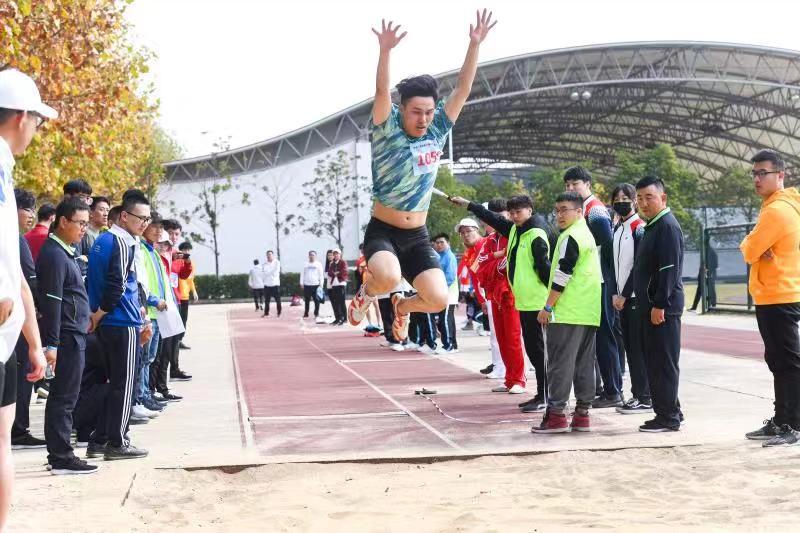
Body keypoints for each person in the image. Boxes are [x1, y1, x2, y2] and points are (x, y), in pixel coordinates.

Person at [347, 11, 497, 342]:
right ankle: (367, 292)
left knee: (438, 298)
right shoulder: (386, 127)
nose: (424, 119)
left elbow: (463, 89)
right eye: (416, 112)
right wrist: (385, 51)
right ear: (402, 110)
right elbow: (381, 91)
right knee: (388, 278)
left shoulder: (437, 130)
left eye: (429, 112)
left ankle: (401, 307)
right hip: (383, 230)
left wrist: (474, 45)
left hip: (417, 234)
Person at [0, 68, 51, 529]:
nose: (37, 129)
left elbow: (15, 276)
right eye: (38, 120)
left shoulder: (5, 167)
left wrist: (33, 341)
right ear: (20, 116)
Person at [451, 194, 553, 402]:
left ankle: (541, 393)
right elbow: (481, 265)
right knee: (519, 345)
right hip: (514, 298)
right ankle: (531, 389)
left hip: (529, 299)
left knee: (535, 348)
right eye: (511, 213)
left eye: (517, 212)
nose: (514, 217)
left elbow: (546, 269)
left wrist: (551, 301)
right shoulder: (513, 231)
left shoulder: (535, 232)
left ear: (530, 210)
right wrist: (468, 204)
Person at [741, 149, 800, 446]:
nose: (757, 178)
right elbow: (754, 247)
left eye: (763, 173)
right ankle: (782, 420)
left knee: (787, 362)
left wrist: (750, 242)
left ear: (780, 175)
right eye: (754, 173)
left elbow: (749, 250)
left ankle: (794, 425)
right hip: (775, 293)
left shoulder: (777, 211)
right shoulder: (777, 206)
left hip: (779, 294)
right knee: (779, 361)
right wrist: (754, 242)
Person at [87, 189, 151, 460]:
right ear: (124, 216)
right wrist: (98, 315)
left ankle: (99, 439)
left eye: (147, 219)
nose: (144, 224)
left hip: (109, 322)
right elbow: (117, 287)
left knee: (113, 384)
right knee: (124, 385)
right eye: (141, 218)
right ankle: (117, 442)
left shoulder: (102, 240)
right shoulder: (122, 243)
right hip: (120, 321)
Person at [532, 192, 601, 434]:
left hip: (568, 311)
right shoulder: (586, 235)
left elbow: (563, 274)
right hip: (588, 312)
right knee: (584, 364)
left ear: (579, 211)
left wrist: (548, 306)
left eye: (565, 210)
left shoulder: (570, 236)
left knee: (560, 364)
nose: (559, 215)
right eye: (557, 210)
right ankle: (582, 415)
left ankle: (557, 415)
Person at [37, 199, 97, 474]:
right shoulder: (54, 255)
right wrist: (52, 344)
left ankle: (61, 453)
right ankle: (61, 457)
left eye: (86, 223)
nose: (84, 229)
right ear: (63, 221)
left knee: (66, 396)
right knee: (63, 398)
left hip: (74, 333)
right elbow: (52, 302)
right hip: (66, 337)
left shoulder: (65, 252)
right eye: (80, 223)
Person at [564, 166, 622, 408]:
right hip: (592, 281)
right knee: (598, 337)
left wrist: (610, 283)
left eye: (575, 184)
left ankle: (613, 391)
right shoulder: (581, 209)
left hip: (601, 281)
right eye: (567, 185)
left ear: (588, 184)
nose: (570, 188)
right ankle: (605, 388)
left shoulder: (595, 210)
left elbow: (606, 244)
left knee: (605, 336)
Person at [633, 176, 685, 433]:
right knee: (656, 361)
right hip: (650, 305)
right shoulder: (652, 225)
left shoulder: (666, 226)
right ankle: (671, 410)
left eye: (649, 197)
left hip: (662, 307)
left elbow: (669, 269)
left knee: (663, 363)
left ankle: (668, 418)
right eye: (639, 198)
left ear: (663, 198)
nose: (643, 203)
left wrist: (660, 304)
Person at [610, 183, 652, 415]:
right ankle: (638, 394)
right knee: (629, 349)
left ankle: (644, 396)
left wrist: (625, 294)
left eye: (625, 199)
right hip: (620, 299)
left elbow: (639, 267)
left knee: (638, 350)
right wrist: (615, 294)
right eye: (616, 199)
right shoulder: (618, 228)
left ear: (635, 201)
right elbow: (615, 266)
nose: (620, 202)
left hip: (634, 299)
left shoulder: (639, 228)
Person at [10, 189, 46, 450]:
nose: (31, 215)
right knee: (23, 375)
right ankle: (18, 429)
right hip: (18, 321)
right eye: (27, 209)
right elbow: (28, 283)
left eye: (34, 209)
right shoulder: (15, 239)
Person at [137, 214, 170, 415]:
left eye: (161, 228)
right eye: (154, 226)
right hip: (148, 311)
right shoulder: (141, 250)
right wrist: (153, 300)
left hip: (157, 313)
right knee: (144, 358)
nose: (158, 231)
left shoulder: (152, 251)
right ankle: (141, 397)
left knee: (150, 358)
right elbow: (142, 284)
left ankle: (146, 393)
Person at [161, 219, 192, 381]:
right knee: (165, 340)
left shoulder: (176, 253)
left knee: (176, 337)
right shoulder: (161, 251)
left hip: (176, 300)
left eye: (177, 234)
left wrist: (187, 262)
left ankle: (175, 368)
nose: (174, 237)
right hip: (164, 301)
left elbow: (183, 275)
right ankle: (162, 377)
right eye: (171, 233)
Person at [431, 234, 458, 354]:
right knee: (448, 319)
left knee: (445, 319)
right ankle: (453, 345)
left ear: (448, 243)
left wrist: (439, 289)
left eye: (442, 242)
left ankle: (448, 346)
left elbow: (450, 277)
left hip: (448, 293)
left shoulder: (449, 257)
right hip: (445, 293)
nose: (439, 245)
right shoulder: (440, 256)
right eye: (437, 243)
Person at [62, 179, 94, 278]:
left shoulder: (83, 229)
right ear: (67, 197)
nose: (86, 202)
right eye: (82, 197)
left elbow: (89, 256)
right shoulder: (62, 225)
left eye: (88, 198)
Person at [176, 241, 198, 351]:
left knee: (184, 319)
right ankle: (176, 341)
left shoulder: (191, 264)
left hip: (185, 296)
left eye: (188, 250)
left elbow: (191, 280)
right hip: (177, 296)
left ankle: (180, 340)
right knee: (178, 319)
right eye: (185, 250)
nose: (187, 251)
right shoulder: (177, 261)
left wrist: (194, 292)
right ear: (181, 250)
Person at [689, 242, 718, 311]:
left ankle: (713, 306)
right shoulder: (705, 252)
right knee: (700, 290)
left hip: (710, 274)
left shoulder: (711, 252)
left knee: (711, 290)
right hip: (703, 274)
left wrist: (708, 270)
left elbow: (715, 265)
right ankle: (694, 307)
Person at [327, 249, 348, 325]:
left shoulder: (343, 262)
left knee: (341, 302)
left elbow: (344, 271)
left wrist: (336, 273)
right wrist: (335, 273)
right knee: (336, 302)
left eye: (337, 254)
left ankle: (344, 318)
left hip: (341, 284)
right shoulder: (332, 264)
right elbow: (329, 273)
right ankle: (338, 318)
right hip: (334, 284)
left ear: (340, 254)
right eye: (334, 254)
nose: (335, 255)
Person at [300, 251, 324, 319]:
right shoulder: (305, 264)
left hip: (316, 285)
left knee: (317, 300)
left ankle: (316, 314)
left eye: (313, 255)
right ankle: (306, 313)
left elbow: (321, 275)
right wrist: (301, 283)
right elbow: (302, 274)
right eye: (310, 255)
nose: (311, 256)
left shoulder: (318, 264)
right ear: (308, 256)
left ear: (315, 256)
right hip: (307, 285)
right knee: (307, 300)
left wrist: (321, 284)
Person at [262, 250, 282, 318]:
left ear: (273, 255)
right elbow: (263, 273)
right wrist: (268, 274)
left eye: (270, 254)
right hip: (267, 284)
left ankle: (279, 313)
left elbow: (276, 272)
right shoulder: (264, 264)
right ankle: (266, 313)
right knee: (267, 301)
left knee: (278, 300)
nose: (269, 256)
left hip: (275, 284)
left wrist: (268, 273)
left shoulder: (277, 262)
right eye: (267, 254)